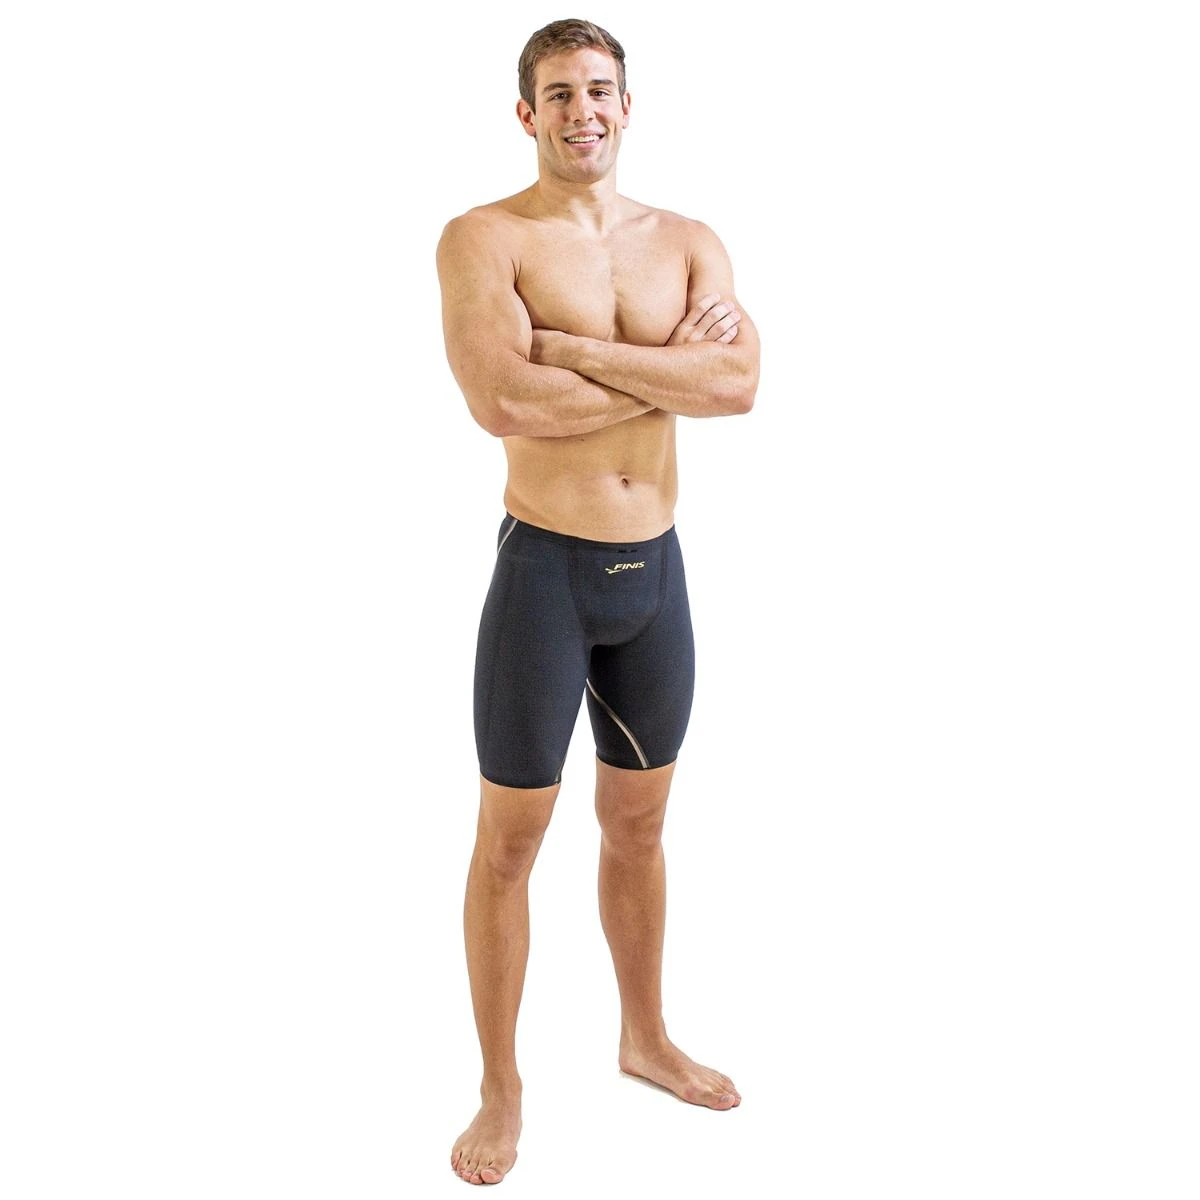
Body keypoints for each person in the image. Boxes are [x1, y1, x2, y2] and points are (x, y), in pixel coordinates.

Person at [436, 18, 760, 1186]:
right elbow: (502, 402)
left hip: (655, 579)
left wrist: (571, 351)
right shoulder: (484, 239)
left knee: (639, 827)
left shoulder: (689, 240)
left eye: (601, 89)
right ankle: (501, 1087)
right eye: (561, 93)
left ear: (629, 104)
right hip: (545, 579)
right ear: (527, 113)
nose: (584, 110)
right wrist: (664, 371)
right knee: (509, 845)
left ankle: (645, 1037)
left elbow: (738, 383)